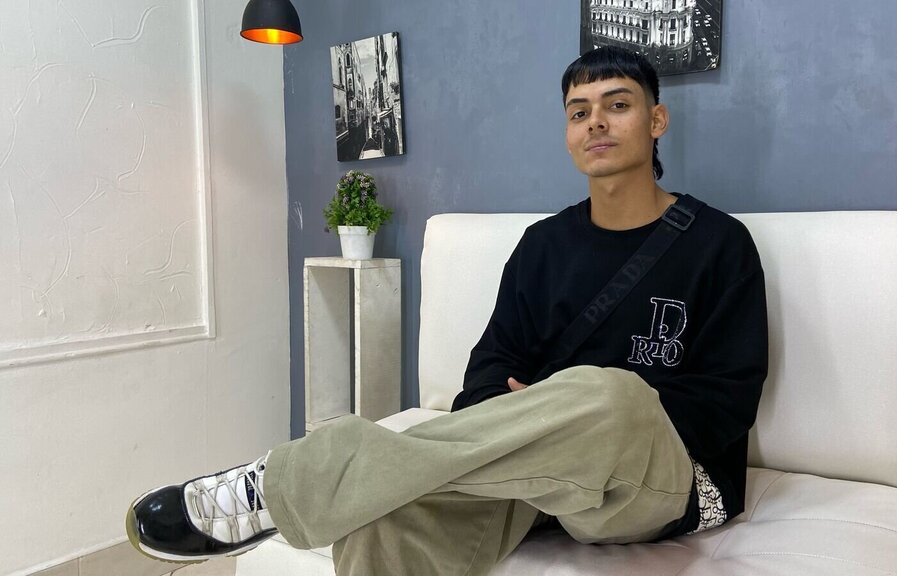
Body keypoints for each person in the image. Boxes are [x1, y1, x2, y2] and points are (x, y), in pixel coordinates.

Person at [126, 46, 768, 575]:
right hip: (535, 480)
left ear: (657, 121)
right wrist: (527, 420)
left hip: (665, 478)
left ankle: (286, 485)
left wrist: (567, 413)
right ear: (568, 133)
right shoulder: (543, 245)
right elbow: (490, 366)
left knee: (611, 397)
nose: (595, 122)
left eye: (617, 105)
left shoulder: (719, 243)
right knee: (383, 516)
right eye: (579, 112)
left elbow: (727, 399)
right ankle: (327, 484)